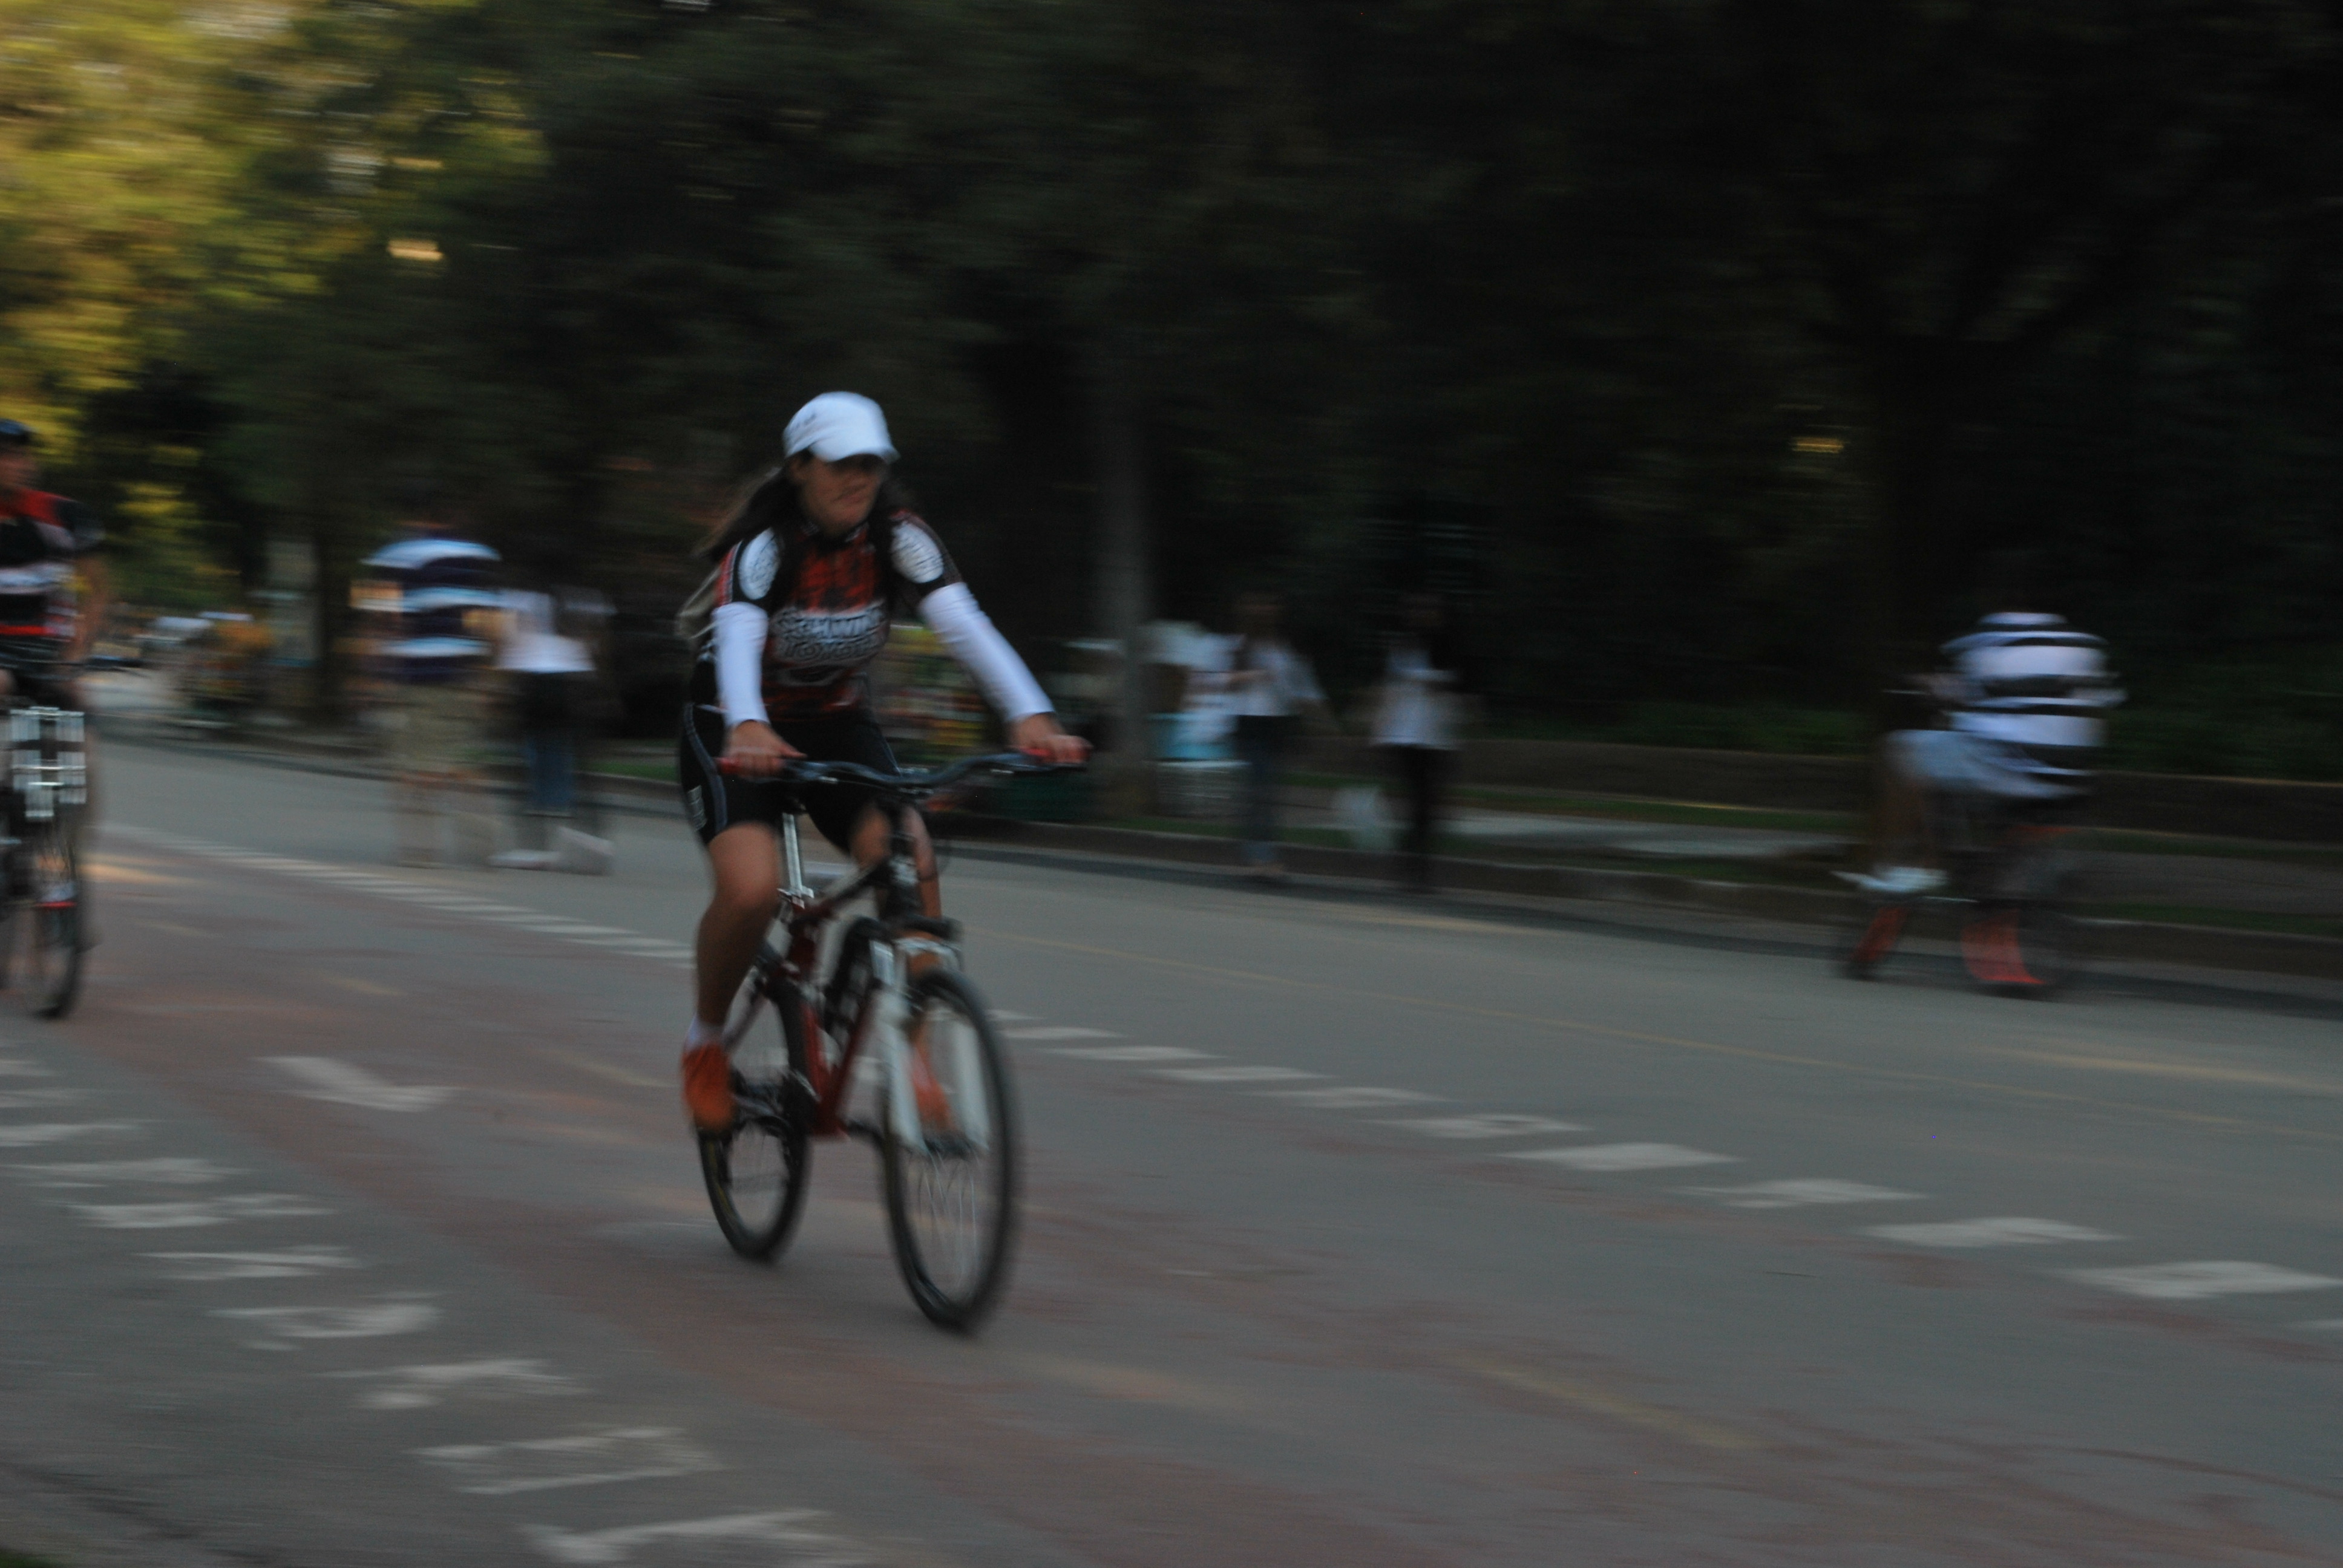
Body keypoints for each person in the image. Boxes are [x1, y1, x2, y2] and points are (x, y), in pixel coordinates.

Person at [676, 392, 1086, 1129]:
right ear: (800, 468)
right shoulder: (765, 549)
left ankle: (916, 1060)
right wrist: (747, 725)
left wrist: (1030, 715)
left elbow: (964, 626)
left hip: (833, 722)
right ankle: (705, 1046)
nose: (856, 479)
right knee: (751, 889)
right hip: (732, 725)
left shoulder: (901, 539)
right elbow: (736, 642)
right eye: (839, 464)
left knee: (912, 856)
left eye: (870, 464)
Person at [1866, 551, 2123, 967]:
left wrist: (1921, 684)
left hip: (2006, 771)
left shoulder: (1989, 640)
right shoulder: (2086, 648)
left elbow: (1956, 692)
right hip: (2071, 783)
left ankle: (1907, 867)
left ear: (1999, 595)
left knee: (1899, 749)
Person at [362, 493, 503, 867]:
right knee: (468, 764)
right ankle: (482, 845)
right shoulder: (479, 556)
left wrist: (377, 673)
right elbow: (491, 623)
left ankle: (420, 848)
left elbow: (385, 618)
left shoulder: (401, 555)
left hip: (418, 675)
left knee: (414, 765)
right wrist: (487, 677)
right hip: (465, 674)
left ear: (419, 516)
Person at [1193, 592, 1325, 882]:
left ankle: (1259, 852)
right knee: (1260, 786)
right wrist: (1251, 676)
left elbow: (1304, 687)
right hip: (1248, 722)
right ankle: (1262, 856)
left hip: (1278, 724)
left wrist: (1318, 716)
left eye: (1271, 606)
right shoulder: (1236, 645)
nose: (1265, 612)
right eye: (1259, 606)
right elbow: (1211, 680)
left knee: (1268, 790)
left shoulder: (1285, 648)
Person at [0, 419, 110, 705]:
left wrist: (78, 651)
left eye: (20, 454)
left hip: (50, 647)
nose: (17, 463)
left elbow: (99, 589)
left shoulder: (65, 514)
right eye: (6, 455)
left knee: (77, 711)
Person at [1371, 592, 1471, 890]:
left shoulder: (1450, 646)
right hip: (1406, 734)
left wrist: (1430, 681)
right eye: (1419, 610)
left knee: (1430, 804)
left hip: (1438, 735)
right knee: (1418, 801)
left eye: (1430, 610)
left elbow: (1456, 684)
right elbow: (1390, 687)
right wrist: (1379, 730)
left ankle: (1412, 861)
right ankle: (1415, 869)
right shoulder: (1403, 646)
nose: (1424, 616)